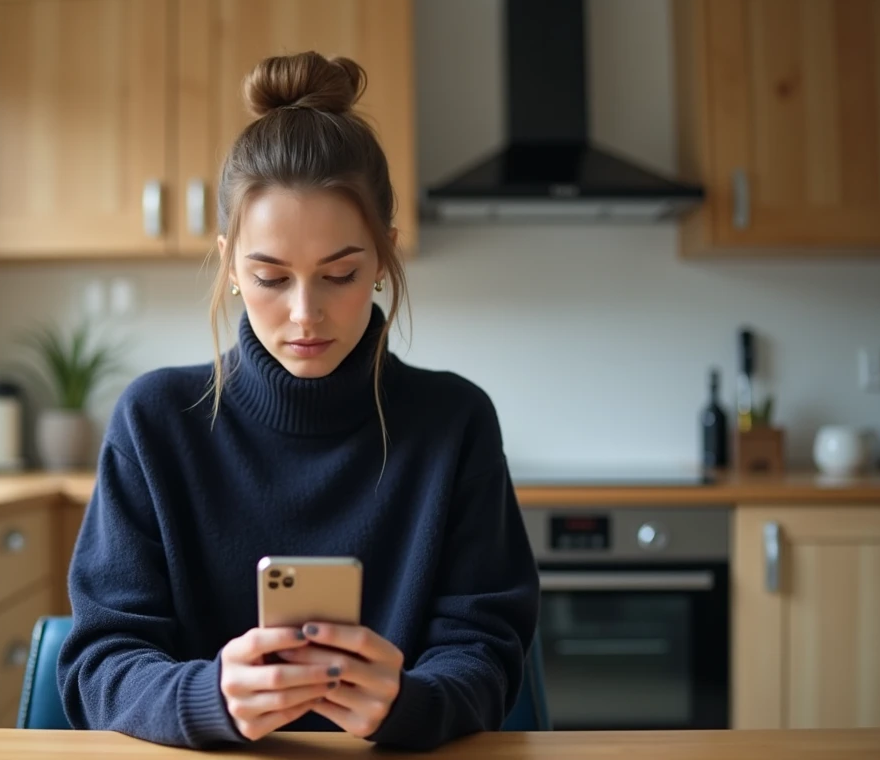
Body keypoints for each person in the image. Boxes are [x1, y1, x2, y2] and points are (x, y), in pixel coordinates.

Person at [57, 50, 540, 751]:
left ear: (384, 256)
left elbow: (490, 656)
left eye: (339, 273)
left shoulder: (454, 422)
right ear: (229, 268)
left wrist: (411, 701)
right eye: (271, 277)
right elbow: (98, 666)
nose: (305, 314)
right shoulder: (156, 421)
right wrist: (208, 696)